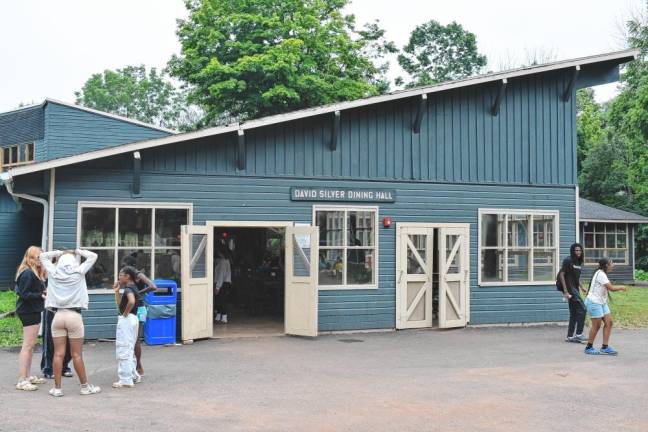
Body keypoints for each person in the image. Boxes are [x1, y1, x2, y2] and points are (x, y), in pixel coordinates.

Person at [40, 249, 101, 397]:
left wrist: (58, 252)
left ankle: (57, 388)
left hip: (58, 316)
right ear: (73, 262)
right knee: (76, 355)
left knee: (58, 354)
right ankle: (85, 387)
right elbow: (93, 256)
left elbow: (42, 256)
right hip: (74, 316)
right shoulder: (79, 272)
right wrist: (77, 251)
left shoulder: (54, 272)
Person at [14, 246, 48, 391]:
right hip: (28, 311)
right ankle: (22, 380)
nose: (41, 260)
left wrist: (42, 292)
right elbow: (24, 294)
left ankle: (27, 376)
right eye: (39, 257)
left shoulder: (34, 272)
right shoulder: (27, 273)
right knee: (27, 346)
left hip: (32, 310)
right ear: (32, 258)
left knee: (31, 345)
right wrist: (41, 295)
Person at [120, 254, 157, 376]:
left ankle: (138, 365)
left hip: (139, 308)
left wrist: (137, 293)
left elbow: (153, 286)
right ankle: (135, 365)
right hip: (137, 307)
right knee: (132, 338)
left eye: (125, 266)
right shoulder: (129, 277)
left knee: (135, 339)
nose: (123, 269)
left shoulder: (139, 275)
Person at [584, 258, 626, 355]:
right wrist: (621, 287)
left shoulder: (602, 273)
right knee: (597, 325)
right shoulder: (601, 274)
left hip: (601, 302)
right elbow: (611, 288)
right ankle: (588, 347)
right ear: (606, 265)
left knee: (609, 322)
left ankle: (605, 347)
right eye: (612, 263)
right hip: (594, 302)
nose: (613, 265)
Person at [112, 266, 141, 388]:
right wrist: (117, 291)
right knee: (129, 347)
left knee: (123, 348)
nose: (119, 277)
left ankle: (125, 379)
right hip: (133, 318)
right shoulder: (132, 288)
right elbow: (120, 305)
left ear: (127, 276)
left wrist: (125, 314)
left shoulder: (129, 289)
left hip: (127, 319)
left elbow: (132, 301)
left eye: (120, 275)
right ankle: (133, 375)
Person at [558, 243, 586, 343]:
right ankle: (579, 334)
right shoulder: (568, 260)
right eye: (576, 250)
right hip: (570, 289)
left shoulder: (578, 262)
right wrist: (565, 291)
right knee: (583, 309)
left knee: (574, 313)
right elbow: (562, 274)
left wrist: (582, 287)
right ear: (572, 251)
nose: (578, 252)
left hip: (575, 288)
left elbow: (576, 277)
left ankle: (570, 336)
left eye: (579, 250)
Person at [214, 242, 232, 323]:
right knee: (220, 300)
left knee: (221, 300)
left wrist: (218, 287)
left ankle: (224, 317)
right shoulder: (225, 261)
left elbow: (221, 275)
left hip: (222, 283)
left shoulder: (223, 262)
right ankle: (219, 316)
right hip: (224, 283)